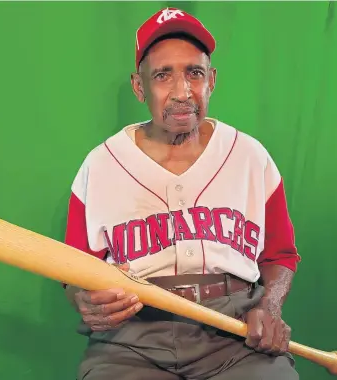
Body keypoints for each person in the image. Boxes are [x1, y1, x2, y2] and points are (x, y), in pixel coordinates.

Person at [63, 7, 301, 380]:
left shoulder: (250, 156)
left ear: (212, 80)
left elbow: (281, 253)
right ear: (139, 86)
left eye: (194, 73)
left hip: (235, 332)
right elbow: (72, 268)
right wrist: (83, 299)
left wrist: (269, 308)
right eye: (162, 75)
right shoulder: (101, 164)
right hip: (131, 338)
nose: (182, 92)